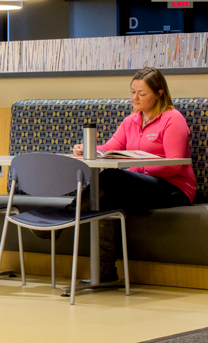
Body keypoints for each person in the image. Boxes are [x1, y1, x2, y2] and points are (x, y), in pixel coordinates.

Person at [72, 67, 194, 280]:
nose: (134, 98)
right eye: (132, 92)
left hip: (173, 188)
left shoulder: (172, 118)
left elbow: (175, 165)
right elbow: (111, 147)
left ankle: (65, 216)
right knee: (105, 199)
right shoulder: (131, 121)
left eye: (142, 93)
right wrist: (89, 149)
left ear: (159, 94)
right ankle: (104, 274)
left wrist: (138, 168)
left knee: (112, 178)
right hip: (141, 185)